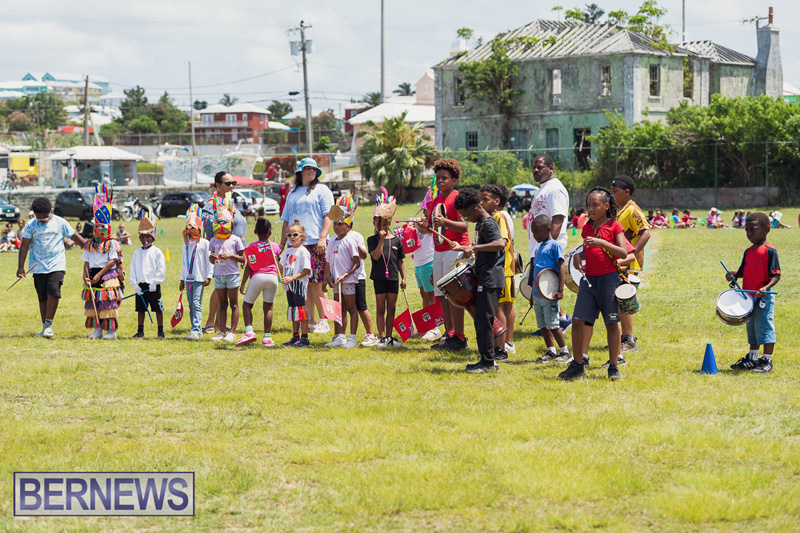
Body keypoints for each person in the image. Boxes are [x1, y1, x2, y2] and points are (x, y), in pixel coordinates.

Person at [559, 188, 629, 381]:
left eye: (595, 205)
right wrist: (577, 256)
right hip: (588, 280)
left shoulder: (615, 226)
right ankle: (578, 364)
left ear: (606, 206)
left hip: (609, 280)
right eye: (588, 205)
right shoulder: (587, 227)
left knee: (612, 323)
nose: (590, 209)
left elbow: (622, 253)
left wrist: (601, 242)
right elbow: (588, 251)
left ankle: (613, 366)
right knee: (577, 321)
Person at [416, 158, 471, 351]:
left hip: (454, 250)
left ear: (454, 179)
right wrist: (424, 227)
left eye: (444, 178)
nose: (440, 181)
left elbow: (465, 225)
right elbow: (433, 229)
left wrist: (445, 222)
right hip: (438, 252)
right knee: (441, 294)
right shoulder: (436, 200)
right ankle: (449, 334)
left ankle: (460, 336)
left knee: (454, 294)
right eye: (438, 178)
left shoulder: (457, 198)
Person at [450, 188, 506, 373]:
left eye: (465, 215)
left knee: (484, 320)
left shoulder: (488, 223)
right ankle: (485, 359)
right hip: (484, 275)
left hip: (491, 278)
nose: (465, 219)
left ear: (475, 209)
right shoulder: (480, 223)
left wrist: (473, 247)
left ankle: (489, 363)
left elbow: (500, 244)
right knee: (481, 320)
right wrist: (465, 248)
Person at [17, 197, 86, 338]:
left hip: (56, 264)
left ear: (51, 211)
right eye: (38, 218)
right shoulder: (31, 225)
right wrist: (20, 267)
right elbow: (24, 246)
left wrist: (91, 247)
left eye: (44, 218)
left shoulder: (60, 222)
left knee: (53, 291)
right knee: (42, 296)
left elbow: (75, 237)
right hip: (37, 265)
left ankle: (49, 325)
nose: (41, 220)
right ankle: (45, 327)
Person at [280, 158, 334, 336]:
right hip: (295, 244)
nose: (311, 171)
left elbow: (329, 216)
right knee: (303, 284)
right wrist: (283, 243)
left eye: (314, 169)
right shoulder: (293, 192)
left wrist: (322, 239)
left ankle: (324, 321)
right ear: (300, 171)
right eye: (307, 169)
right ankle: (310, 321)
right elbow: (286, 219)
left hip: (314, 243)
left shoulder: (322, 190)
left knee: (317, 284)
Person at [725, 213, 780, 373]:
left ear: (766, 230)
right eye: (746, 231)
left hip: (763, 297)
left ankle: (767, 360)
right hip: (747, 297)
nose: (749, 234)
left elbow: (776, 275)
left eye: (753, 230)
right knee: (752, 328)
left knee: (765, 327)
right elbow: (742, 271)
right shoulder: (748, 251)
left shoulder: (770, 251)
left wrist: (765, 288)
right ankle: (752, 358)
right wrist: (733, 274)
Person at [524, 154, 571, 333]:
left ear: (551, 168)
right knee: (540, 286)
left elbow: (558, 219)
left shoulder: (555, 189)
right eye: (534, 167)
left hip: (548, 248)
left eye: (540, 167)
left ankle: (559, 322)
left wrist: (547, 246)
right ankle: (557, 320)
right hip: (539, 246)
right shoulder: (544, 187)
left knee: (547, 285)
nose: (536, 170)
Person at [202, 171, 247, 334]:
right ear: (218, 185)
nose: (232, 186)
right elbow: (207, 226)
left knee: (231, 286)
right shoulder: (212, 203)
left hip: (236, 249)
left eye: (233, 183)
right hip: (222, 250)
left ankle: (223, 323)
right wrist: (222, 216)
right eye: (228, 183)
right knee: (221, 285)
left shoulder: (230, 202)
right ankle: (210, 322)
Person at [611, 175, 651, 355]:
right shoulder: (622, 210)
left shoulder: (633, 210)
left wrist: (631, 253)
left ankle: (629, 339)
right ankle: (621, 338)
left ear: (627, 192)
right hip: (620, 263)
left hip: (629, 264)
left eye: (615, 192)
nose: (612, 196)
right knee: (618, 300)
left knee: (624, 300)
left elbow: (646, 233)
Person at [81, 190, 125, 340]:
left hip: (107, 275)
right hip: (92, 275)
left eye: (101, 227)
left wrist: (100, 274)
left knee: (107, 304)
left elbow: (113, 261)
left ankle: (111, 331)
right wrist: (85, 276)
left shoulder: (111, 244)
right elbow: (86, 261)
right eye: (96, 227)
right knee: (94, 303)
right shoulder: (89, 244)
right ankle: (98, 330)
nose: (98, 230)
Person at [480, 184, 517, 359]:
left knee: (499, 308)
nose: (481, 203)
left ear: (496, 201)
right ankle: (502, 344)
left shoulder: (498, 216)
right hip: (501, 267)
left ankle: (501, 347)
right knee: (500, 307)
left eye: (485, 200)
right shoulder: (490, 217)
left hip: (502, 268)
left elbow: (504, 242)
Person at [528, 215, 570, 363]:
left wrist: (560, 289)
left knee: (553, 324)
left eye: (536, 232)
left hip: (549, 293)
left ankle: (564, 351)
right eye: (533, 233)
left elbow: (561, 267)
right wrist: (532, 295)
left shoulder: (555, 246)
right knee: (543, 325)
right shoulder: (539, 249)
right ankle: (550, 350)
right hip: (537, 293)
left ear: (548, 229)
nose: (534, 236)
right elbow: (536, 274)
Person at [368, 196, 407, 348]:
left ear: (389, 223)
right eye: (380, 224)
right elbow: (376, 256)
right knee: (380, 308)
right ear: (374, 224)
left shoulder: (397, 240)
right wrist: (382, 240)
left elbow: (400, 261)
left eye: (385, 224)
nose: (383, 227)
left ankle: (390, 337)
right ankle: (382, 338)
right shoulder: (372, 239)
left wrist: (403, 278)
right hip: (379, 278)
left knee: (391, 307)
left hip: (393, 278)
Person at [237, 217, 282, 346]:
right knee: (268, 308)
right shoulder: (274, 246)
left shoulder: (252, 247)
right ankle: (267, 338)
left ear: (255, 232)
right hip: (273, 278)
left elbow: (249, 267)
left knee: (247, 305)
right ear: (270, 233)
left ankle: (249, 332)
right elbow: (278, 261)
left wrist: (243, 283)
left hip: (258, 276)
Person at [324, 200, 361, 348]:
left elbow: (356, 262)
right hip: (335, 281)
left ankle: (352, 338)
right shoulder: (332, 240)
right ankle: (339, 336)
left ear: (348, 226)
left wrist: (345, 275)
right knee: (338, 308)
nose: (337, 227)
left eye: (340, 224)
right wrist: (327, 276)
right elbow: (328, 261)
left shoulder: (350, 241)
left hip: (348, 280)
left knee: (351, 308)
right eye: (335, 224)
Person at [209, 197, 246, 342]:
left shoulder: (235, 239)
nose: (222, 225)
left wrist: (231, 255)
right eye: (219, 222)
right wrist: (212, 257)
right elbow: (211, 260)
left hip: (232, 275)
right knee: (222, 304)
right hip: (218, 275)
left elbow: (243, 258)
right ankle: (221, 331)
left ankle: (232, 332)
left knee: (234, 304)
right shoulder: (213, 240)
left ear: (230, 223)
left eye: (225, 222)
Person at [129, 215, 166, 339]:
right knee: (141, 309)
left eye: (147, 236)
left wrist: (155, 282)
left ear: (152, 237)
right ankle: (140, 331)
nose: (145, 239)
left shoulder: (157, 252)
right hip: (141, 285)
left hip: (153, 286)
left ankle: (160, 331)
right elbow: (133, 269)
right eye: (142, 236)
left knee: (157, 309)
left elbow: (161, 269)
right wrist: (135, 284)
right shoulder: (136, 253)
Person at [179, 204, 213, 340]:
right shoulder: (185, 245)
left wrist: (209, 276)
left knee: (197, 303)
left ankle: (196, 329)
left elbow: (209, 260)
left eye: (193, 228)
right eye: (188, 228)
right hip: (188, 279)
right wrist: (182, 279)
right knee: (191, 304)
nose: (190, 230)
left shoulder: (204, 243)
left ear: (199, 229)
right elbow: (183, 263)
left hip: (199, 278)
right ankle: (194, 329)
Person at [280, 221, 312, 347]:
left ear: (302, 236)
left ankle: (304, 338)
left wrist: (292, 278)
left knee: (301, 310)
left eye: (295, 234)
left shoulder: (303, 252)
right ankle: (295, 336)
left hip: (298, 286)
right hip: (289, 286)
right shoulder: (288, 251)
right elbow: (282, 267)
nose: (292, 237)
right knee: (293, 310)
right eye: (289, 235)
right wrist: (275, 259)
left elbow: (306, 270)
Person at [411, 224, 439, 342]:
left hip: (428, 262)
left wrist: (417, 225)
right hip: (417, 263)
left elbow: (427, 229)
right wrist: (410, 224)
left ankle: (434, 328)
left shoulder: (429, 225)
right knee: (424, 295)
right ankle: (426, 325)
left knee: (431, 295)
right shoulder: (418, 222)